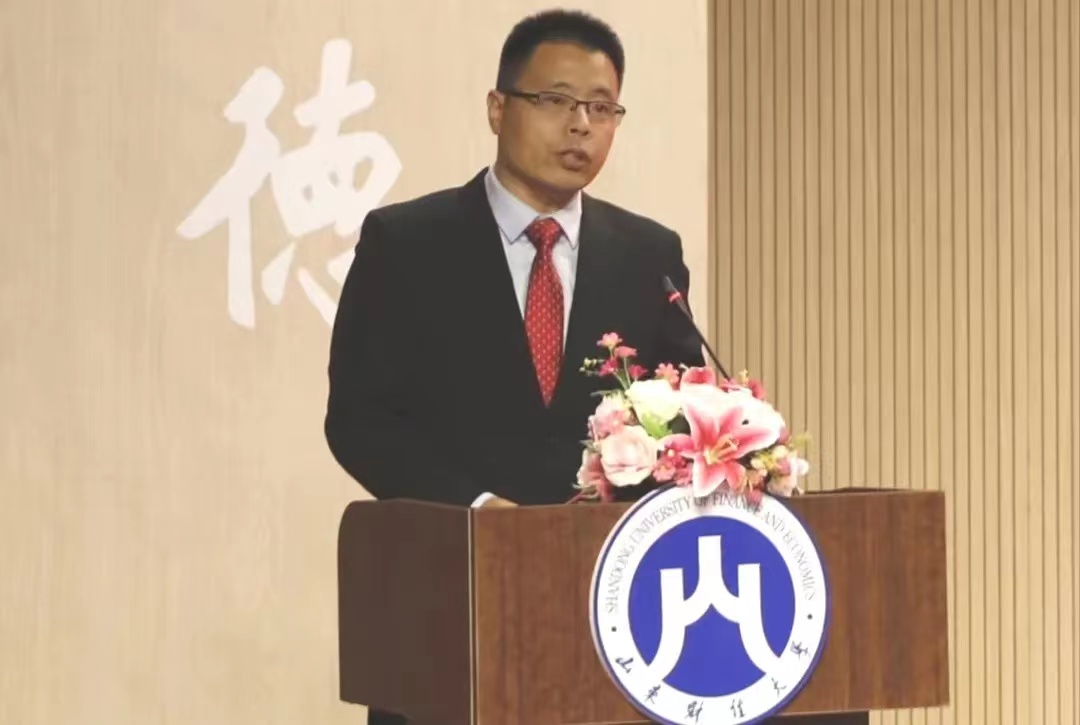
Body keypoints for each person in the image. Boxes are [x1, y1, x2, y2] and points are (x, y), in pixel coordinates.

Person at [324, 9, 704, 722]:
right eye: (556, 100)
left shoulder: (649, 254)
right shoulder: (407, 243)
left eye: (601, 107)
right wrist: (478, 511)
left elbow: (683, 409)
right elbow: (359, 420)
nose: (580, 125)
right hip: (447, 609)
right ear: (498, 109)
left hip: (611, 613)